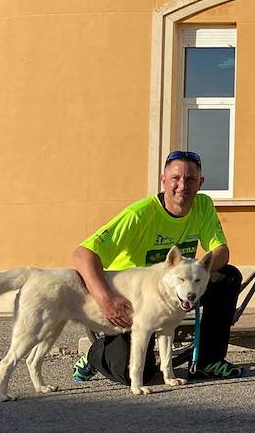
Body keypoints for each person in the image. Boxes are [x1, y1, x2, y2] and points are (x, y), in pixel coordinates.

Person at [71, 150, 245, 385]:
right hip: (131, 298)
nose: (182, 185)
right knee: (135, 374)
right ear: (163, 181)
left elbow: (221, 252)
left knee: (227, 276)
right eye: (175, 178)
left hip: (173, 289)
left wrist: (197, 271)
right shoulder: (139, 215)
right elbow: (82, 254)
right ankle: (95, 355)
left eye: (190, 179)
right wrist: (105, 300)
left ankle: (208, 361)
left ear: (200, 183)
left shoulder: (202, 205)